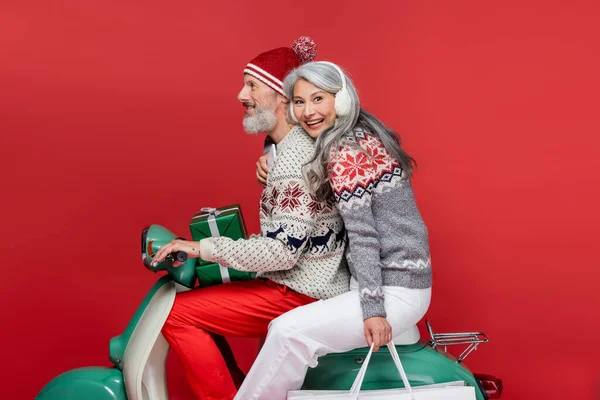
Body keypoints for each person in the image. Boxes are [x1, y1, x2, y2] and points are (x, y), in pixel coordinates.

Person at [150, 43, 350, 400]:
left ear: (281, 97)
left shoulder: (292, 159)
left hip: (302, 292)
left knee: (175, 314)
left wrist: (199, 248)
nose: (241, 94)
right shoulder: (288, 148)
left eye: (252, 85)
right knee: (201, 301)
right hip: (309, 283)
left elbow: (282, 252)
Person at [235, 61, 432, 400]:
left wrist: (374, 311)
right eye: (299, 102)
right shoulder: (356, 133)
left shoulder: (345, 153)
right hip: (396, 280)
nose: (309, 111)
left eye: (318, 99)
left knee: (286, 331)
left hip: (393, 287)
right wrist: (272, 156)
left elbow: (364, 236)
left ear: (340, 101)